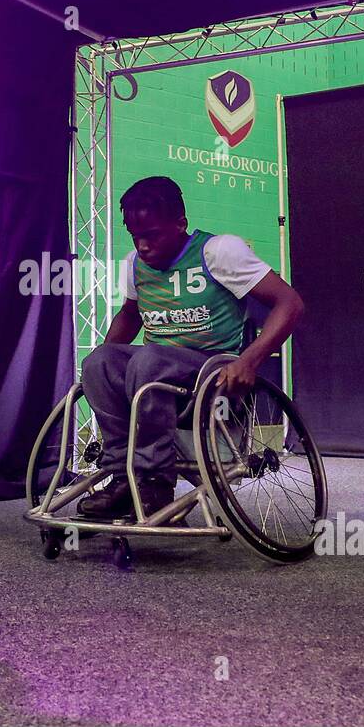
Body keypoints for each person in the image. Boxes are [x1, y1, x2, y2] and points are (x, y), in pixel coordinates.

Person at [77, 176, 305, 520]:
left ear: (180, 224)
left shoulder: (219, 252)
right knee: (99, 361)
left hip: (211, 370)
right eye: (135, 236)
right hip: (155, 371)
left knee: (148, 359)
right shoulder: (134, 264)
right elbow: (129, 315)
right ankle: (123, 475)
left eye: (151, 235)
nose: (142, 246)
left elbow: (290, 303)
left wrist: (249, 361)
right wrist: (101, 376)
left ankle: (155, 480)